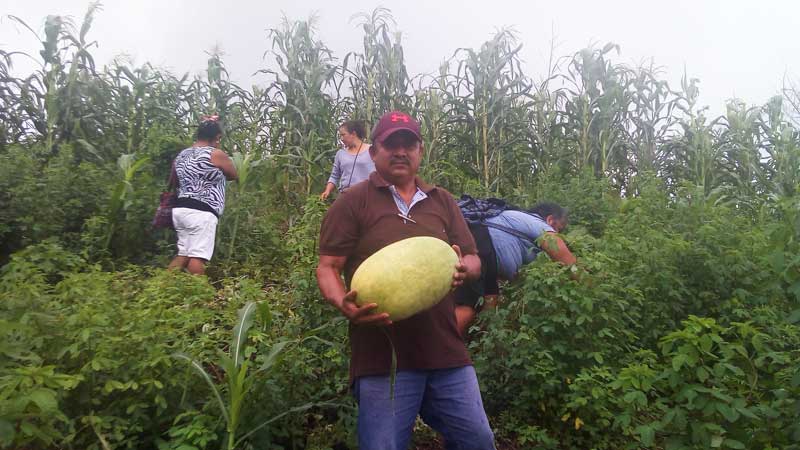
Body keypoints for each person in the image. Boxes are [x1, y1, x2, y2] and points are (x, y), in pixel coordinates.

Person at [316, 111, 496, 450]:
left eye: (408, 144)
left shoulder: (442, 200)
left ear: (420, 150)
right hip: (383, 360)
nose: (401, 151)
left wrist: (463, 266)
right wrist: (343, 303)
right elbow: (327, 267)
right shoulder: (353, 202)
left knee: (478, 440)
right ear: (374, 152)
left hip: (445, 352)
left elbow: (473, 259)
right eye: (391, 144)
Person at [454, 203, 577, 336]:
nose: (558, 234)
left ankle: (478, 346)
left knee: (488, 309)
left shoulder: (519, 226)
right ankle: (437, 349)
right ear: (550, 220)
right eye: (559, 228)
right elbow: (566, 259)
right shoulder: (536, 223)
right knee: (467, 305)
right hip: (479, 246)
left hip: (489, 260)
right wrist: (588, 282)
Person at [167, 116, 237, 275]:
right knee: (198, 257)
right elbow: (233, 174)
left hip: (180, 209)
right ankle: (199, 295)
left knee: (183, 254)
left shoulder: (182, 155)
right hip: (202, 212)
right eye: (219, 139)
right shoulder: (216, 154)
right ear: (217, 137)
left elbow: (174, 180)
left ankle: (163, 287)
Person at [319, 120, 376, 200]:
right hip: (346, 198)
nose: (341, 139)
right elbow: (334, 176)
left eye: (343, 135)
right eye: (340, 136)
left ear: (353, 134)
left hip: (369, 197)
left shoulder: (372, 150)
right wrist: (327, 190)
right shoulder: (340, 154)